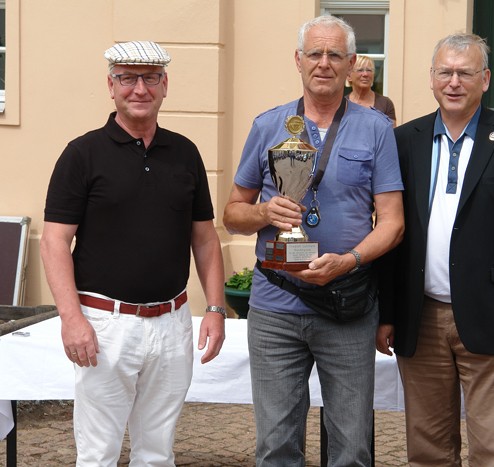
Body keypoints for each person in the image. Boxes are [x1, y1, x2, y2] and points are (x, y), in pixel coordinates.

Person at [222, 15, 404, 466]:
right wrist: (264, 212)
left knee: (352, 446)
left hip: (347, 306)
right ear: (299, 61)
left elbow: (393, 223)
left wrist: (350, 260)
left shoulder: (377, 129)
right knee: (276, 445)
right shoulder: (269, 126)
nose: (324, 63)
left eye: (335, 55)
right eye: (316, 54)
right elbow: (232, 214)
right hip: (275, 310)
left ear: (350, 65)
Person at [40, 40, 226, 466]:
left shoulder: (185, 153)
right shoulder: (82, 154)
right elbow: (54, 242)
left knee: (158, 453)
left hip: (172, 323)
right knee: (98, 454)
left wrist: (215, 307)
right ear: (111, 86)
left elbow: (205, 238)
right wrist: (72, 320)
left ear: (165, 86)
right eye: (127, 78)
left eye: (150, 78)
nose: (139, 88)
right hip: (104, 326)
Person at [375, 33, 494, 466]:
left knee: (493, 449)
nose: (454, 82)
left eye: (465, 73)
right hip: (422, 318)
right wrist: (388, 314)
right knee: (428, 448)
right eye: (445, 72)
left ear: (485, 79)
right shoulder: (404, 140)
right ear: (432, 79)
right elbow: (392, 234)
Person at [347, 54, 397, 125]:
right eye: (360, 70)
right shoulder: (342, 104)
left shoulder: (385, 104)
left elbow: (391, 133)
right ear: (349, 76)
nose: (365, 74)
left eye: (369, 70)